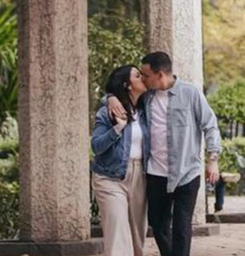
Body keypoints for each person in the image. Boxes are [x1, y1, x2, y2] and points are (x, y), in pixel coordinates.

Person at [107, 52, 221, 256]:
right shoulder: (147, 96)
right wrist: (110, 98)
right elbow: (124, 94)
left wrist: (212, 160)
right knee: (158, 224)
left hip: (187, 172)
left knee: (182, 226)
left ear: (159, 75)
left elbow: (210, 126)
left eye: (145, 74)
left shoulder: (190, 93)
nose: (142, 78)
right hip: (156, 173)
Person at [91, 65, 150, 256]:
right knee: (117, 232)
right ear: (127, 84)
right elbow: (96, 146)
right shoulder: (107, 112)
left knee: (137, 235)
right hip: (110, 177)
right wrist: (117, 128)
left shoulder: (145, 109)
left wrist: (109, 96)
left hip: (140, 175)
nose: (143, 78)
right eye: (137, 76)